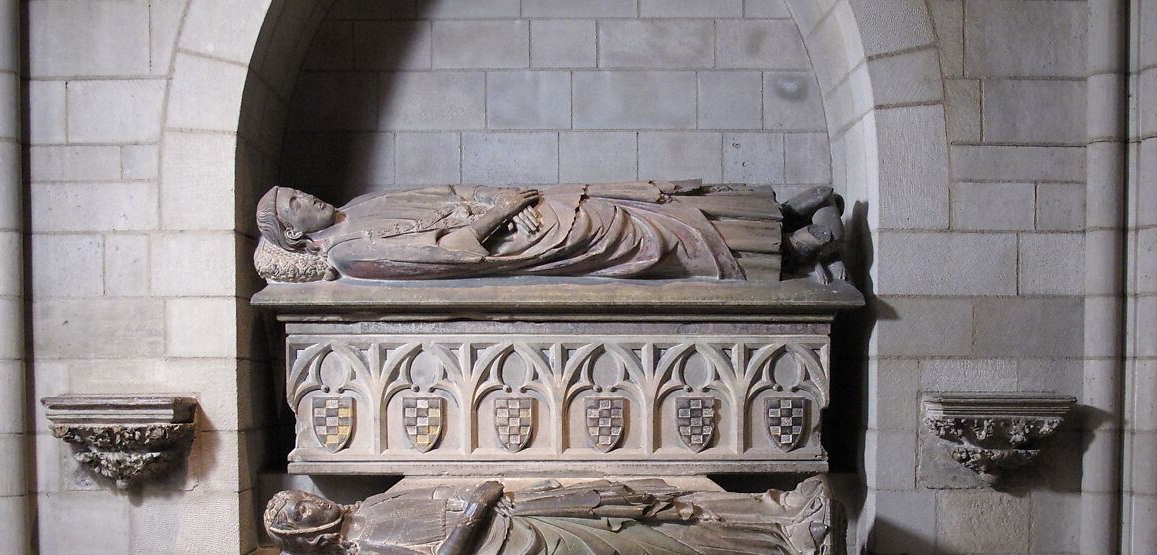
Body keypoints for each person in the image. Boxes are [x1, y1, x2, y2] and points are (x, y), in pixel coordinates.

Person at [263, 476, 843, 555]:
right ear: (306, 539)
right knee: (651, 547)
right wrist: (474, 507)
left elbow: (440, 495)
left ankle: (776, 510)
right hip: (526, 550)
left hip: (521, 509)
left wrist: (477, 498)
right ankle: (788, 552)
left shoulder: (370, 503)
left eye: (297, 499)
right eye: (297, 515)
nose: (306, 503)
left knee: (643, 500)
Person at [253, 181, 791, 282]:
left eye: (297, 190)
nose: (307, 197)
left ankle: (765, 219)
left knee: (631, 195)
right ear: (294, 235)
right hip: (517, 245)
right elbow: (453, 254)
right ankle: (777, 254)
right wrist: (504, 213)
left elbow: (451, 193)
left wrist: (500, 198)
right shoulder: (350, 254)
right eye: (294, 204)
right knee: (624, 231)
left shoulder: (363, 203)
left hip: (519, 211)